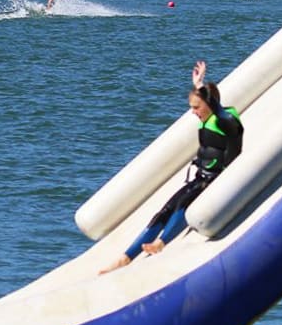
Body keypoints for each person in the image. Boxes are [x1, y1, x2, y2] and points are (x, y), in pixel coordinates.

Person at [99, 60, 244, 274]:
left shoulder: (227, 120)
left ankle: (161, 243)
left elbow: (220, 113)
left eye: (196, 107)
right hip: (201, 177)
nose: (193, 112)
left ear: (209, 103)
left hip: (217, 178)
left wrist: (200, 85)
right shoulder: (206, 119)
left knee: (182, 205)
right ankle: (126, 257)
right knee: (165, 210)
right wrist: (198, 88)